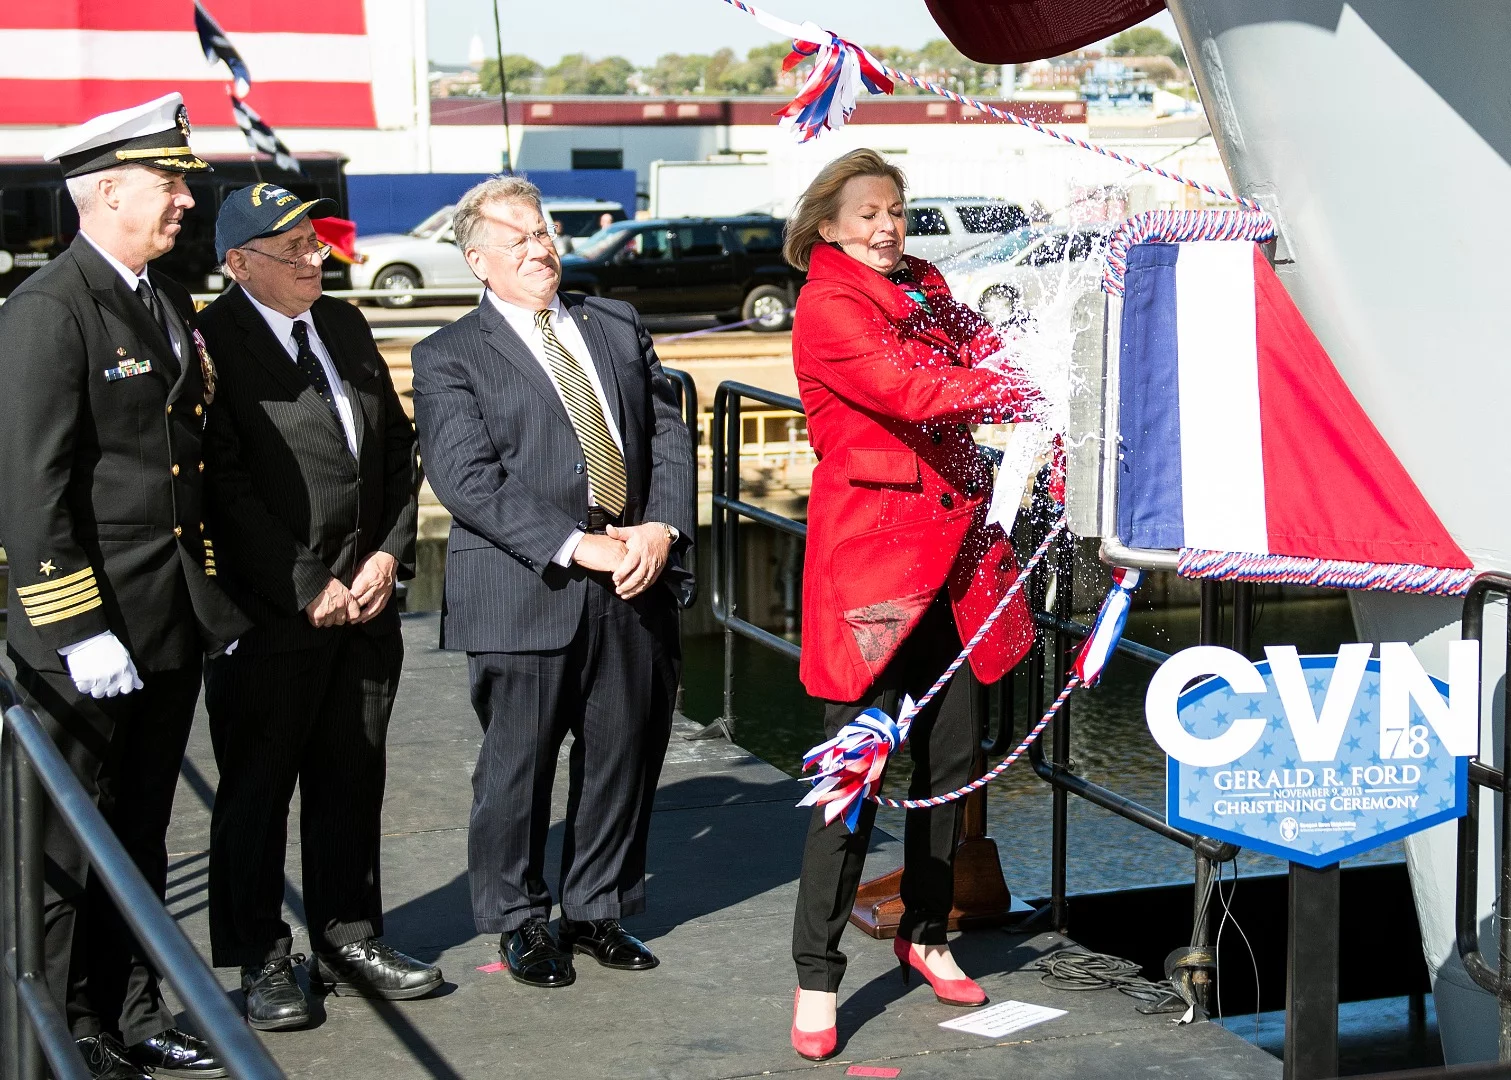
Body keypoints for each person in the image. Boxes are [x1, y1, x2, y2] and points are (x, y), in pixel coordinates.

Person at [0, 94, 249, 1080]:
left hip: (163, 628)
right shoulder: (49, 312)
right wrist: (75, 628)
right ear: (105, 192)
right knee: (66, 848)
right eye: (168, 183)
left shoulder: (162, 301)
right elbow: (30, 489)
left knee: (140, 833)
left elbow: (175, 470)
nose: (186, 200)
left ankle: (132, 1008)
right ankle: (62, 1029)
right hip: (87, 637)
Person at [781, 149, 1041, 1060]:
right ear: (828, 226)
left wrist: (1021, 366)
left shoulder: (924, 281)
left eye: (895, 210)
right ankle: (816, 976)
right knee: (851, 775)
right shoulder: (827, 306)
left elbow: (982, 348)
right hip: (877, 576)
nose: (886, 226)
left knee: (950, 759)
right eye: (866, 214)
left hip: (959, 565)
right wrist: (1028, 390)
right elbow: (913, 390)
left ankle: (924, 931)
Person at [411, 176, 695, 989]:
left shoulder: (613, 322)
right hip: (526, 587)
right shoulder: (448, 355)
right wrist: (578, 545)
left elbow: (666, 430)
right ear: (478, 260)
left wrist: (659, 526)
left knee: (623, 755)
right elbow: (467, 482)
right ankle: (519, 919)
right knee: (516, 768)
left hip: (633, 575)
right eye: (518, 239)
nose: (540, 248)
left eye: (543, 232)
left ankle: (596, 908)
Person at [197, 185, 440, 1030]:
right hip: (272, 611)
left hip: (365, 599)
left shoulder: (342, 325)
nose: (315, 260)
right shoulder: (212, 343)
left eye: (314, 242)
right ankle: (260, 958)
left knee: (351, 774)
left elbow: (397, 449)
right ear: (238, 264)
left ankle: (349, 934)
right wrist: (307, 583)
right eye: (292, 249)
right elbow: (221, 483)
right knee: (257, 790)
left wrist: (386, 553)